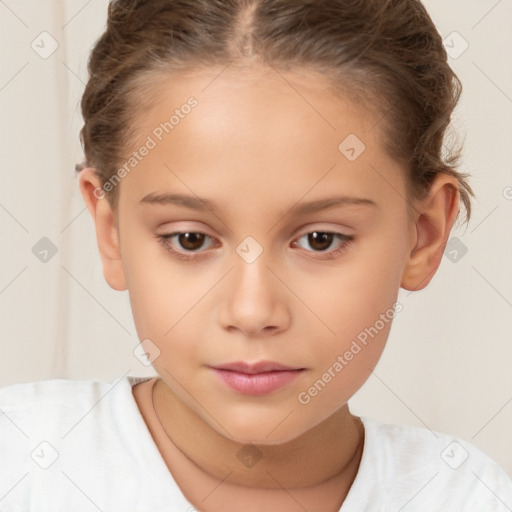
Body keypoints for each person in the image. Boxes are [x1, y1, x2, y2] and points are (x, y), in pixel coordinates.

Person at [1, 0, 511, 510]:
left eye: (320, 240)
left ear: (421, 235)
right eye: (190, 239)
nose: (252, 312)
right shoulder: (20, 464)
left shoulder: (467, 496)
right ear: (110, 231)